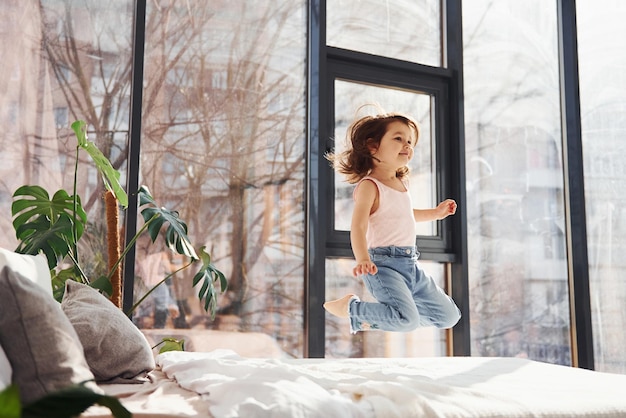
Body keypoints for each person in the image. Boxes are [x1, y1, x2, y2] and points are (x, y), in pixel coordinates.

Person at [323, 109, 461, 334]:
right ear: (372, 146)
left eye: (409, 141)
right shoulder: (370, 186)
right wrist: (362, 259)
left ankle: (399, 317)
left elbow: (405, 215)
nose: (407, 145)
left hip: (410, 264)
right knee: (407, 321)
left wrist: (435, 213)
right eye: (398, 138)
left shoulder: (401, 184)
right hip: (382, 266)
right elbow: (358, 226)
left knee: (449, 316)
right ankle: (351, 309)